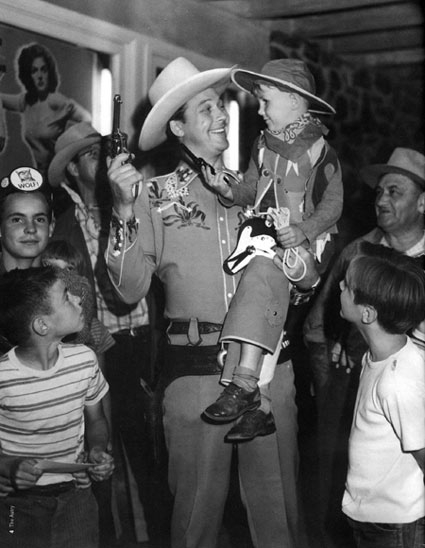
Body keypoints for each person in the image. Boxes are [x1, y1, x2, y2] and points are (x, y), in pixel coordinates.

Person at [105, 56, 319, 548]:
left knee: (280, 520)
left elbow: (307, 279)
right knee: (193, 525)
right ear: (177, 126)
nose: (222, 114)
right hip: (196, 376)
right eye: (206, 108)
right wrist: (121, 209)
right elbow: (128, 290)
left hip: (268, 372)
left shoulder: (267, 186)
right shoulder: (151, 197)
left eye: (221, 103)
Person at [201, 59, 343, 439]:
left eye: (265, 102)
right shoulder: (262, 145)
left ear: (296, 101)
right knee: (262, 307)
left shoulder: (318, 149)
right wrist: (228, 190)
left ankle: (244, 382)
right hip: (266, 240)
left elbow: (332, 203)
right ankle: (260, 405)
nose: (259, 111)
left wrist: (304, 230)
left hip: (302, 251)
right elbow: (251, 186)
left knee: (263, 276)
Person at [303, 147, 425, 546]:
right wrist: (331, 387)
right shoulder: (358, 252)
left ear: (422, 201)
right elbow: (319, 325)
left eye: (395, 191)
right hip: (359, 386)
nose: (381, 199)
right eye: (378, 192)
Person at [47, 121, 156, 544]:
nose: (103, 159)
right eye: (91, 154)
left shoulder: (134, 204)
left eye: (102, 151)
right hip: (97, 352)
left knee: (149, 458)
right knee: (101, 460)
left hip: (143, 342)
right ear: (72, 169)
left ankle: (156, 535)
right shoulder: (61, 228)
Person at [0, 266, 115, 548]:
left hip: (76, 496)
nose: (77, 298)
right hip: (17, 503)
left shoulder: (85, 360)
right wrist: (7, 466)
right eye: (66, 296)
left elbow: (97, 421)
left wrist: (98, 448)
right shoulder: (3, 377)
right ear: (42, 325)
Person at [338, 245, 425, 548]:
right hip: (372, 513)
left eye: (347, 286)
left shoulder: (396, 381)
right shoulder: (378, 355)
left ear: (367, 313)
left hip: (393, 524)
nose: (339, 286)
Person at [0, 42, 91, 175]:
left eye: (44, 69)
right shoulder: (26, 101)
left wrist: (67, 143)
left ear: (50, 72)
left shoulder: (55, 100)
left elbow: (87, 118)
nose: (40, 75)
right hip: (40, 174)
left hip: (60, 176)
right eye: (34, 71)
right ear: (27, 75)